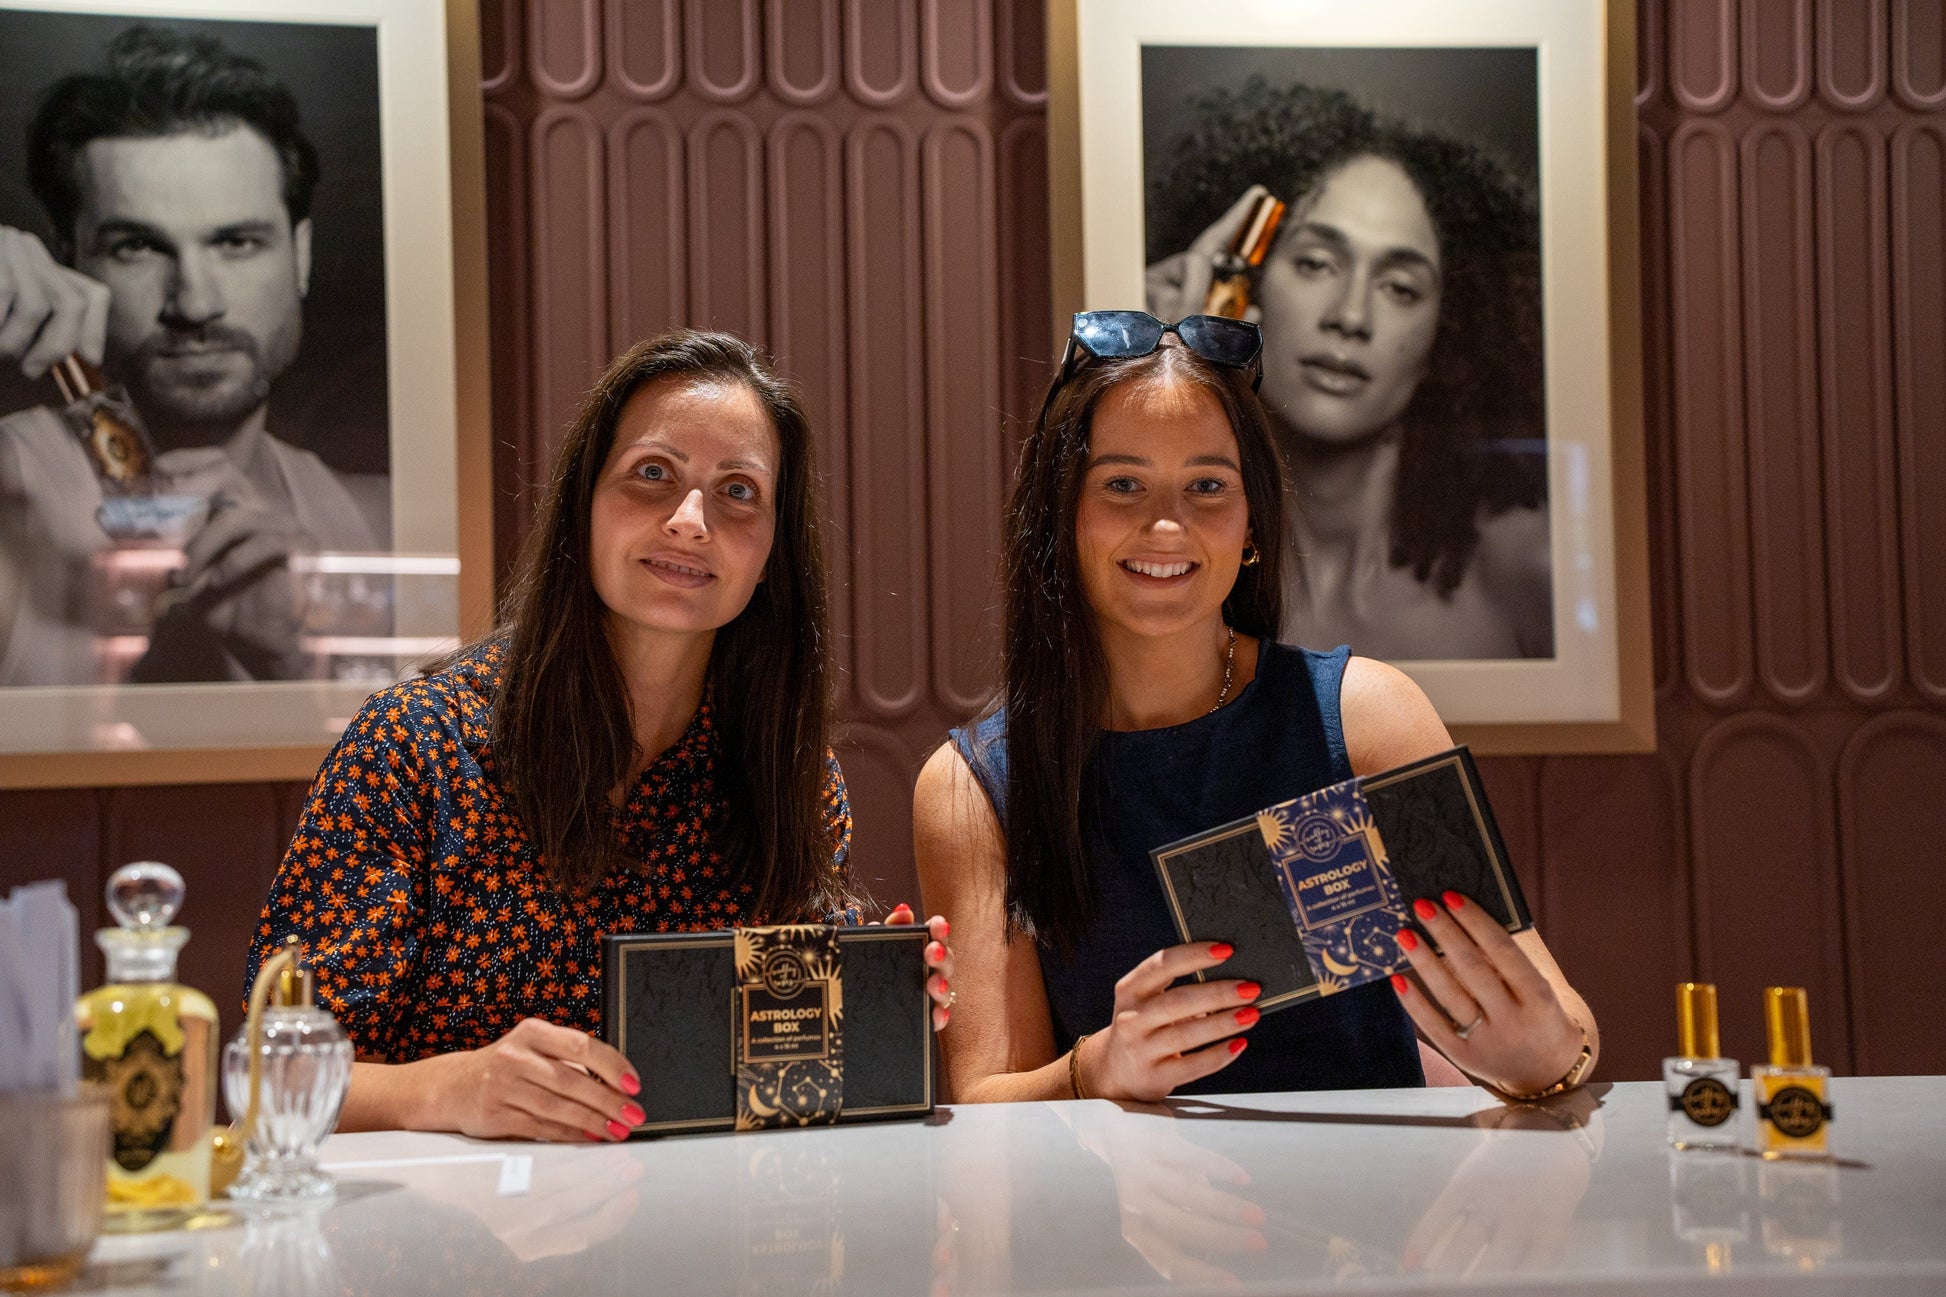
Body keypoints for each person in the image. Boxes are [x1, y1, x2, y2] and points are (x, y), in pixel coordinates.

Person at [247, 330, 953, 1140]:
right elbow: (269, 1079)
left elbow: (767, 1086)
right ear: (583, 501)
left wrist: (869, 1012)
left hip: (690, 1245)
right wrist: (449, 1088)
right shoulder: (413, 746)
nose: (690, 520)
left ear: (772, 553)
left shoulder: (790, 777)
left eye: (737, 491)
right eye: (653, 475)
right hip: (441, 1251)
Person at [913, 312, 1595, 1104]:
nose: (1166, 523)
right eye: (1122, 484)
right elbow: (986, 1102)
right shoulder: (974, 790)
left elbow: (1560, 1020)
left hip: (1379, 1213)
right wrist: (1094, 1070)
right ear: (1060, 519)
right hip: (1117, 1220)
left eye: (1207, 485)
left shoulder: (1367, 719)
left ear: (1251, 525)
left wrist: (1548, 1057)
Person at [0, 25, 385, 685]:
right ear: (69, 261)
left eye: (236, 242)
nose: (195, 302)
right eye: (138, 247)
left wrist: (301, 664)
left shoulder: (384, 521)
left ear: (302, 256)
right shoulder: (9, 494)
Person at [1146, 80, 1551, 660]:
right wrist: (1155, 368)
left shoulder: (1524, 578)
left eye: (1399, 287)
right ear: (1245, 287)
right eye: (1315, 263)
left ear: (1449, 331)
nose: (1351, 316)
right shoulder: (1161, 566)